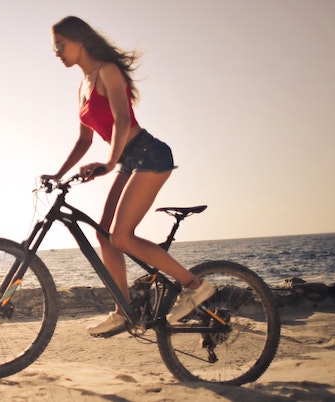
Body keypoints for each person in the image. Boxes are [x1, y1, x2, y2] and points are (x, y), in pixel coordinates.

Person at [41, 16, 213, 336]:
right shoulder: (83, 85)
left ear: (79, 40)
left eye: (60, 44)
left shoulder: (108, 71)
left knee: (121, 236)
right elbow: (84, 140)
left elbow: (121, 119)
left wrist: (109, 162)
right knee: (104, 235)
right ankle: (124, 310)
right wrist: (58, 173)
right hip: (128, 159)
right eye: (55, 46)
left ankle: (195, 285)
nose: (57, 51)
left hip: (150, 154)